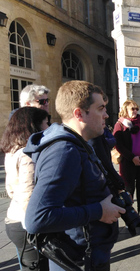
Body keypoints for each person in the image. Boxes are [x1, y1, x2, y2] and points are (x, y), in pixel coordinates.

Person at [24, 81, 126, 270]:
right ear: (79, 114)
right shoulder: (64, 151)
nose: (106, 115)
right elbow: (36, 219)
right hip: (78, 258)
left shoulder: (77, 142)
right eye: (101, 108)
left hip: (87, 255)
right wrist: (99, 211)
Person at [0, 107, 50, 270]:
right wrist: (36, 225)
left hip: (16, 220)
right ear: (33, 126)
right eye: (45, 123)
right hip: (26, 223)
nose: (48, 127)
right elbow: (28, 192)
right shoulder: (27, 154)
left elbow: (12, 188)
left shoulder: (13, 149)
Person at [113, 100, 140, 220]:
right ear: (126, 110)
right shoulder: (119, 125)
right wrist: (132, 158)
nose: (135, 111)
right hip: (128, 163)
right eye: (132, 109)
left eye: (136, 109)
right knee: (129, 190)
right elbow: (118, 144)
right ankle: (130, 216)